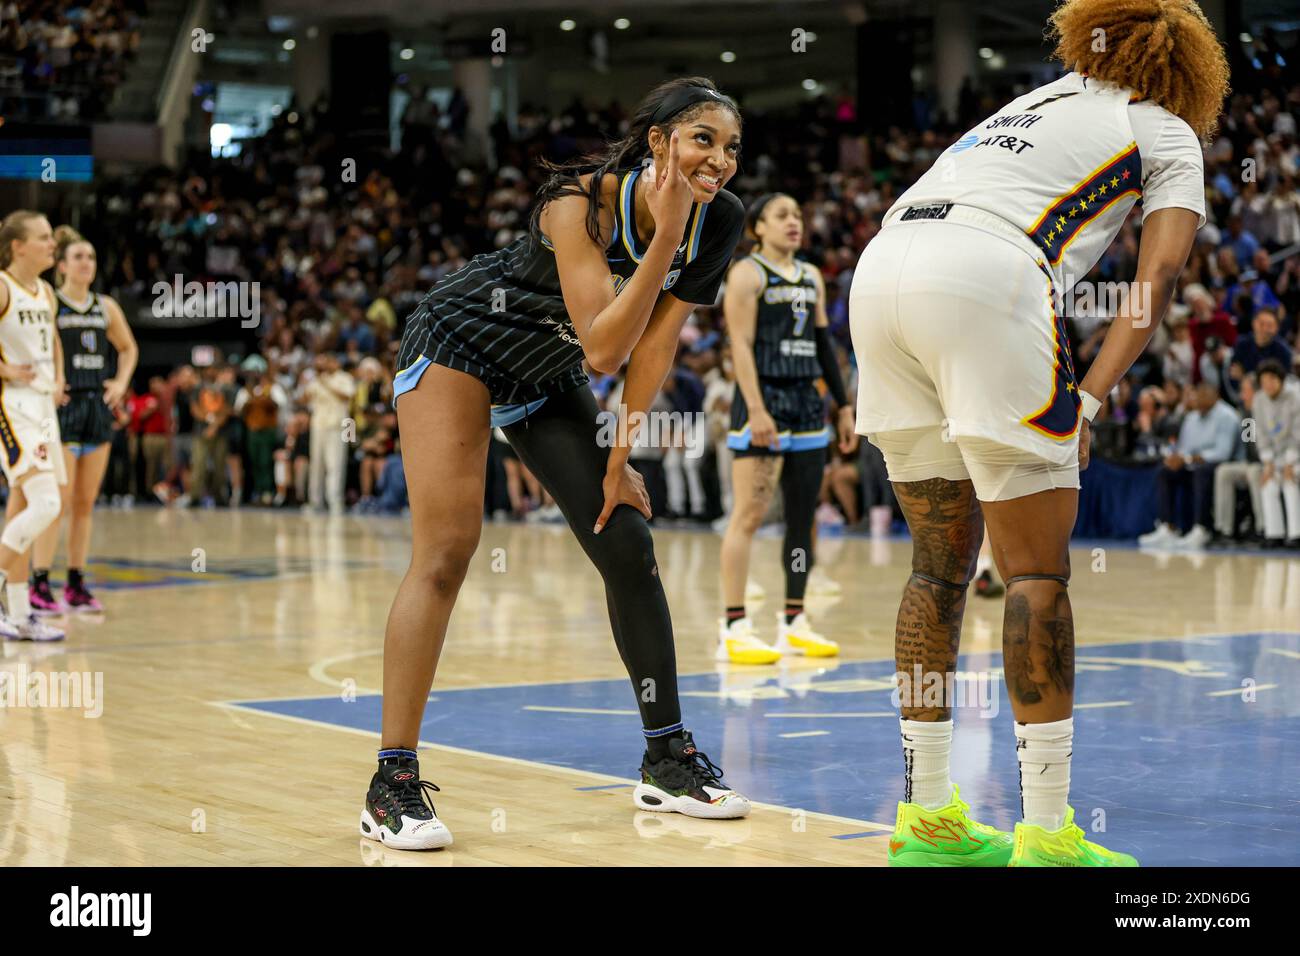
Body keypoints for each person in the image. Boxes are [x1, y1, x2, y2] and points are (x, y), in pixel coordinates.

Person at [848, 0, 1228, 865]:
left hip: (880, 271)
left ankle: (928, 816)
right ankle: (1051, 833)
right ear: (1188, 69)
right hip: (986, 274)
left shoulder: (1028, 104)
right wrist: (1089, 399)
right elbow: (1159, 275)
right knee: (1036, 573)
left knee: (937, 568)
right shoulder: (1163, 128)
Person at [363, 77, 751, 850]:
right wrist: (668, 235)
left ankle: (667, 757)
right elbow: (606, 345)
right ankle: (391, 782)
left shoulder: (723, 220)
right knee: (446, 553)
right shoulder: (576, 202)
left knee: (627, 541)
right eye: (702, 138)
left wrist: (620, 453)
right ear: (659, 142)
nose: (719, 159)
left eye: (732, 146)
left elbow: (656, 343)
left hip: (546, 371)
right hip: (462, 342)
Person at [717, 194, 855, 665]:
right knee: (750, 516)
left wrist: (842, 406)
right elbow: (740, 345)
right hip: (763, 401)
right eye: (782, 216)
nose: (794, 222)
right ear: (758, 227)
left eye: (798, 215)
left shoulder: (813, 276)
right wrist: (756, 409)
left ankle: (794, 619)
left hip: (806, 405)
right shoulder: (746, 274)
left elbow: (822, 344)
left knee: (803, 519)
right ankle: (734, 626)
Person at [30, 227, 138, 614]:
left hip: (97, 406)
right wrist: (49, 383)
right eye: (78, 257)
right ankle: (39, 581)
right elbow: (34, 347)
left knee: (85, 504)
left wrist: (121, 383)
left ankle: (76, 581)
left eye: (91, 257)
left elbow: (128, 348)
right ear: (61, 266)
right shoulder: (50, 302)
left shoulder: (105, 306)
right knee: (54, 502)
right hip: (62, 407)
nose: (86, 263)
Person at [0, 211, 68, 640]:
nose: (51, 244)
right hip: (12, 405)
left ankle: (20, 615)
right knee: (46, 505)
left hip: (43, 407)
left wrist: (58, 376)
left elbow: (53, 339)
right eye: (43, 238)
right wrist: (5, 369)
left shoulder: (45, 291)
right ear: (17, 246)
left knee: (27, 509)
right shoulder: (2, 286)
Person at [1252, 359, 1300, 546]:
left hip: (1296, 454)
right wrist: (1268, 463)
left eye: (1272, 380)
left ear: (1281, 379)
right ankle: (1274, 533)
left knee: (1290, 481)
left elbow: (1298, 432)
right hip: (1276, 457)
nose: (1268, 385)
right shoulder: (1258, 400)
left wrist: (1289, 462)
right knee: (1268, 483)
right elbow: (1260, 434)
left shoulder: (1295, 396)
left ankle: (1296, 534)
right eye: (1264, 381)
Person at [303, 353, 353, 515]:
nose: (328, 364)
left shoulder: (344, 378)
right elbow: (305, 398)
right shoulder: (317, 379)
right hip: (318, 425)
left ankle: (335, 501)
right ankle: (315, 501)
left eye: (331, 361)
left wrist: (326, 383)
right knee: (316, 465)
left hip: (339, 427)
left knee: (335, 465)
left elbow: (347, 396)